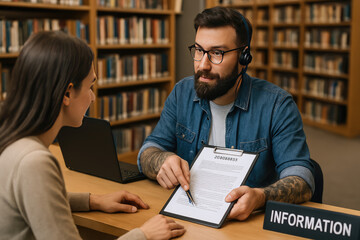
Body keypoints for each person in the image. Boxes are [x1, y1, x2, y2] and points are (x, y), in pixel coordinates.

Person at [0, 31, 185, 240]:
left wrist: (93, 201)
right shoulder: (35, 162)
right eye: (90, 86)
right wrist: (144, 235)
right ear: (67, 93)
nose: (93, 97)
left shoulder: (12, 141)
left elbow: (36, 198)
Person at [137, 6, 315, 221]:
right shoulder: (182, 93)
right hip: (189, 214)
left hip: (248, 224)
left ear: (244, 57)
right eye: (199, 50)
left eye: (217, 53)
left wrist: (260, 197)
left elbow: (302, 178)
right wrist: (162, 160)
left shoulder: (277, 105)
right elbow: (149, 150)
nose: (203, 65)